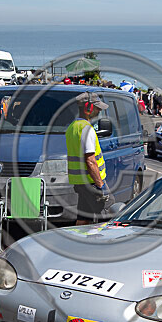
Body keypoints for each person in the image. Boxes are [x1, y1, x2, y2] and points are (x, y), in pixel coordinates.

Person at [66, 92, 112, 225]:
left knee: (83, 217)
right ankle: (102, 243)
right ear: (88, 108)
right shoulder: (87, 129)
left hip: (80, 183)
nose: (99, 111)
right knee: (108, 213)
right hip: (92, 182)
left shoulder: (72, 128)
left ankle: (79, 242)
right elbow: (90, 160)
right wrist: (100, 185)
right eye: (97, 108)